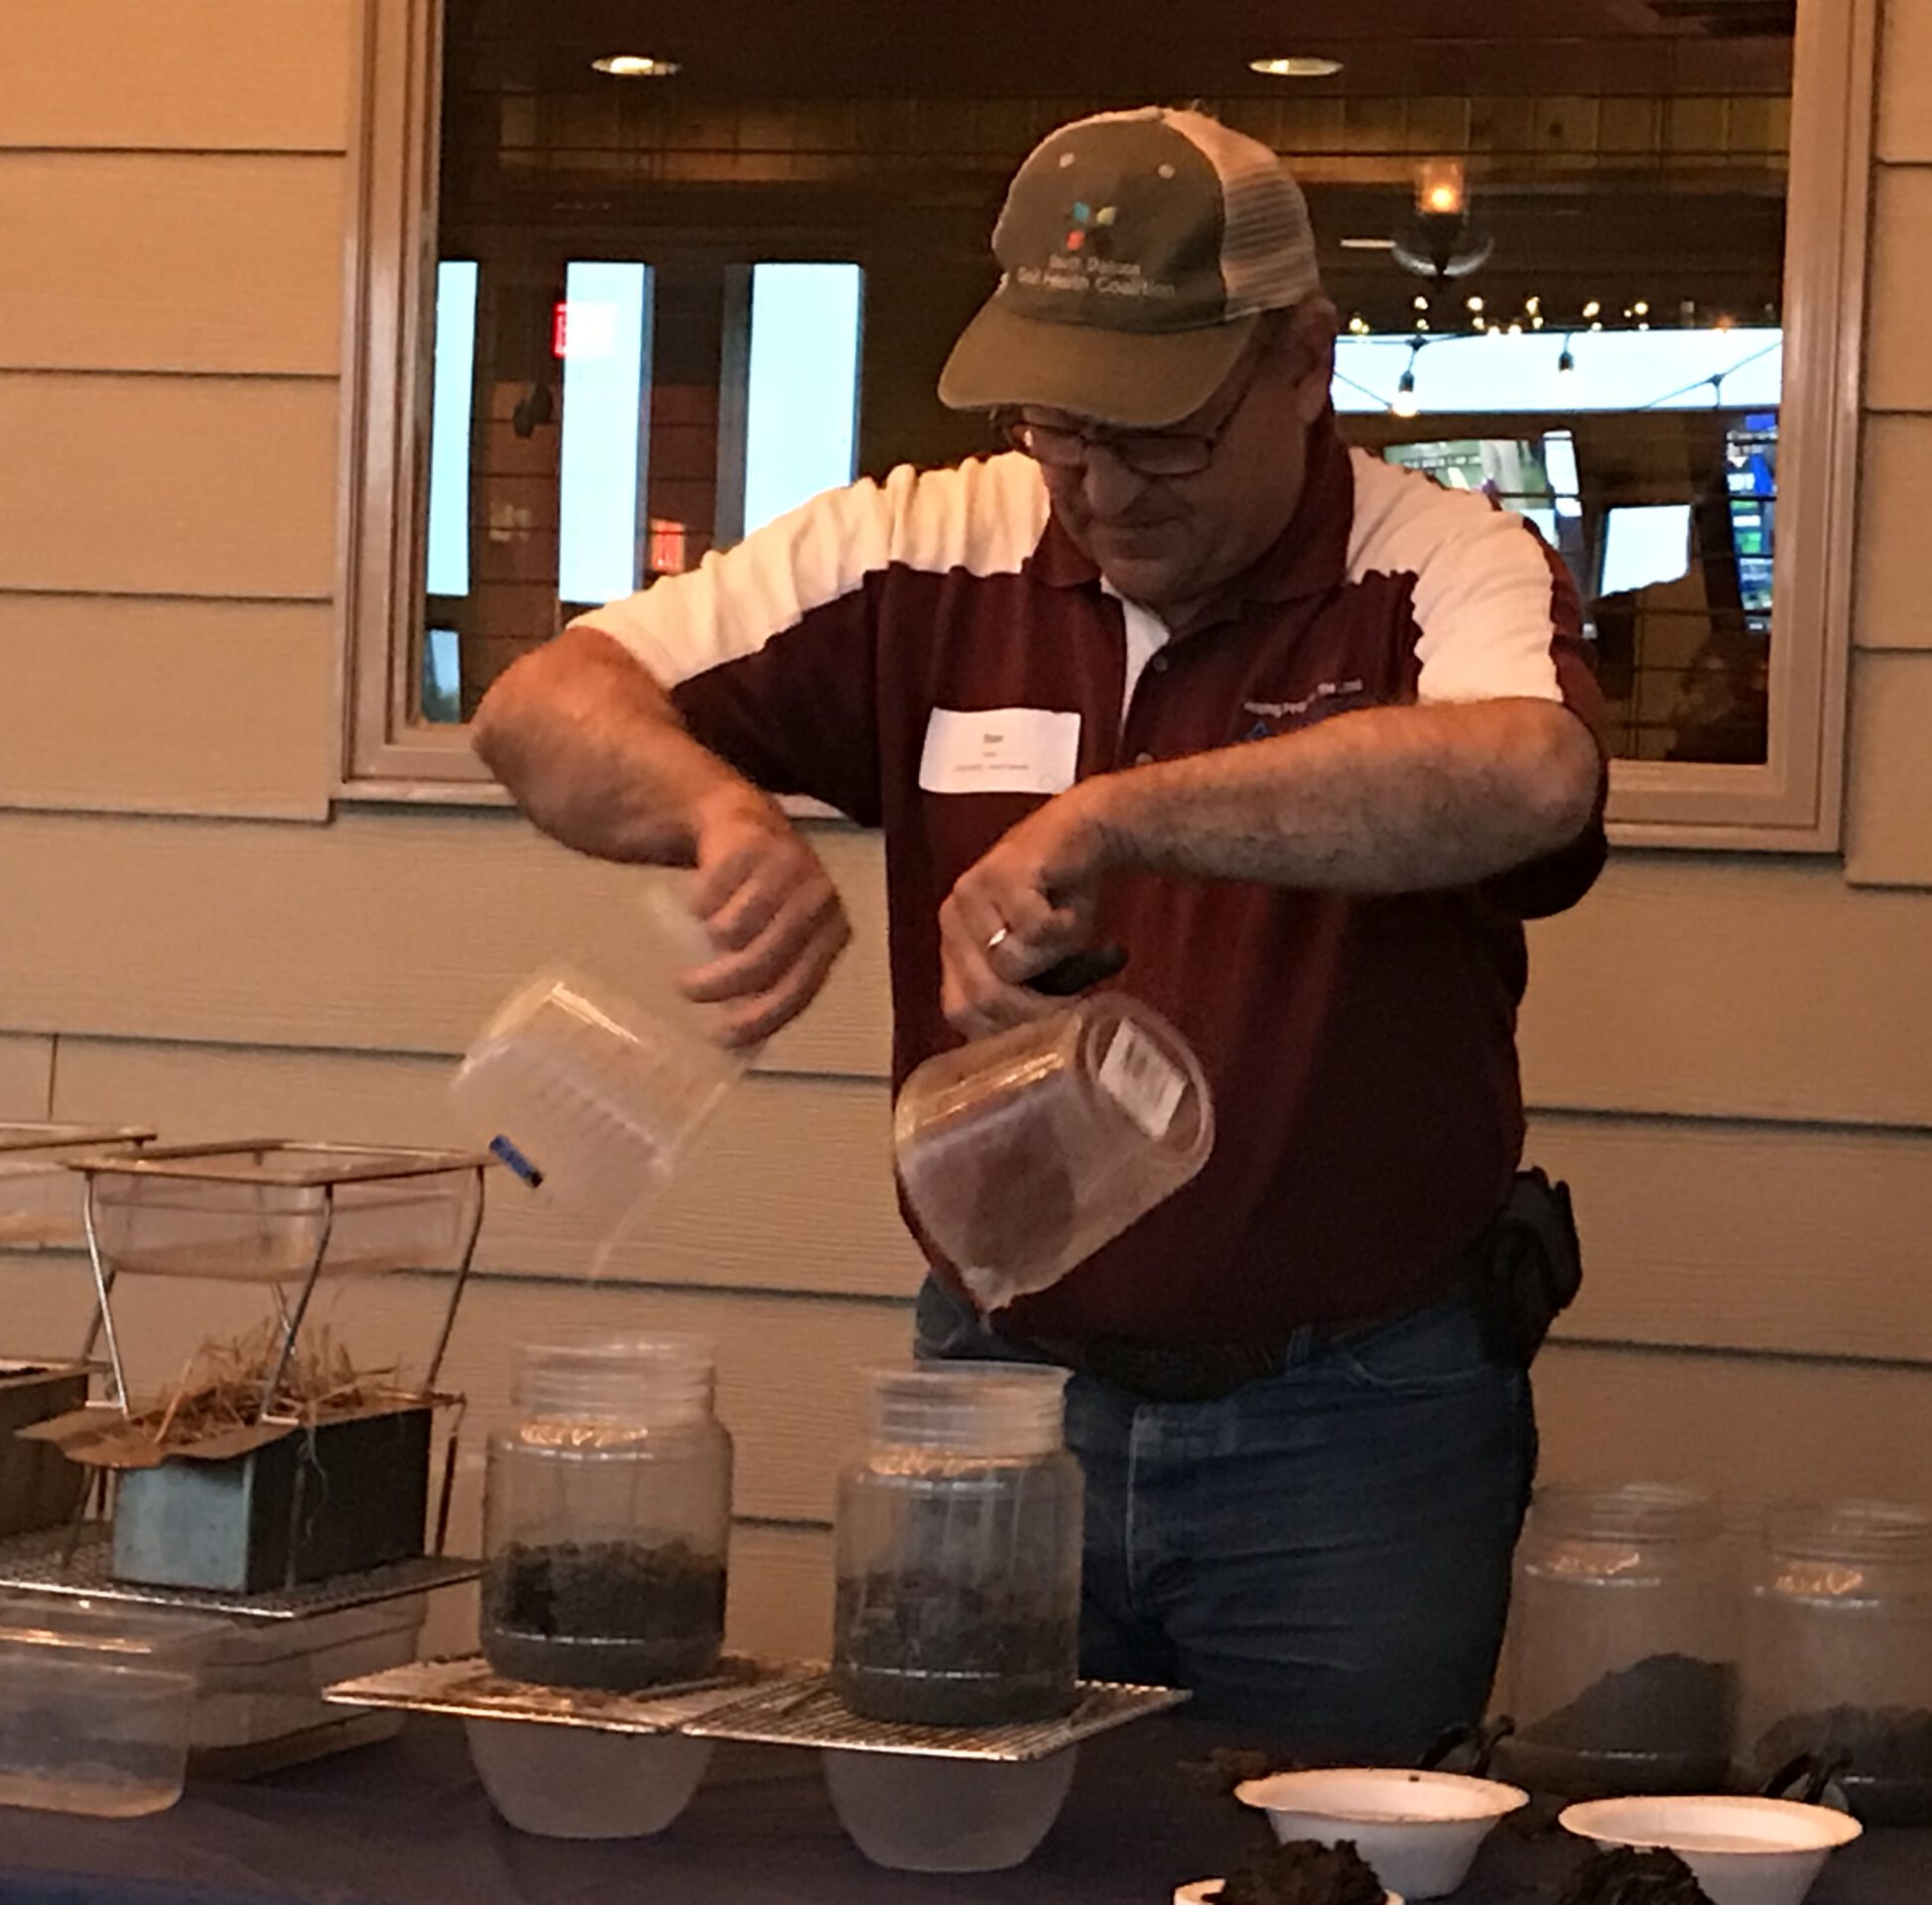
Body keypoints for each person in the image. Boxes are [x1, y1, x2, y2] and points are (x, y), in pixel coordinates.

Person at [473, 106, 1609, 1752]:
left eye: (1159, 433)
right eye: (1060, 426)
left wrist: (1117, 813)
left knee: (1327, 1857)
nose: (1096, 485)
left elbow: (1524, 780)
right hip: (999, 1392)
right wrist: (715, 810)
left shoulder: (1434, 561)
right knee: (973, 1840)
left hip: (1353, 1424)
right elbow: (546, 704)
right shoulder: (927, 542)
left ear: (1305, 363)